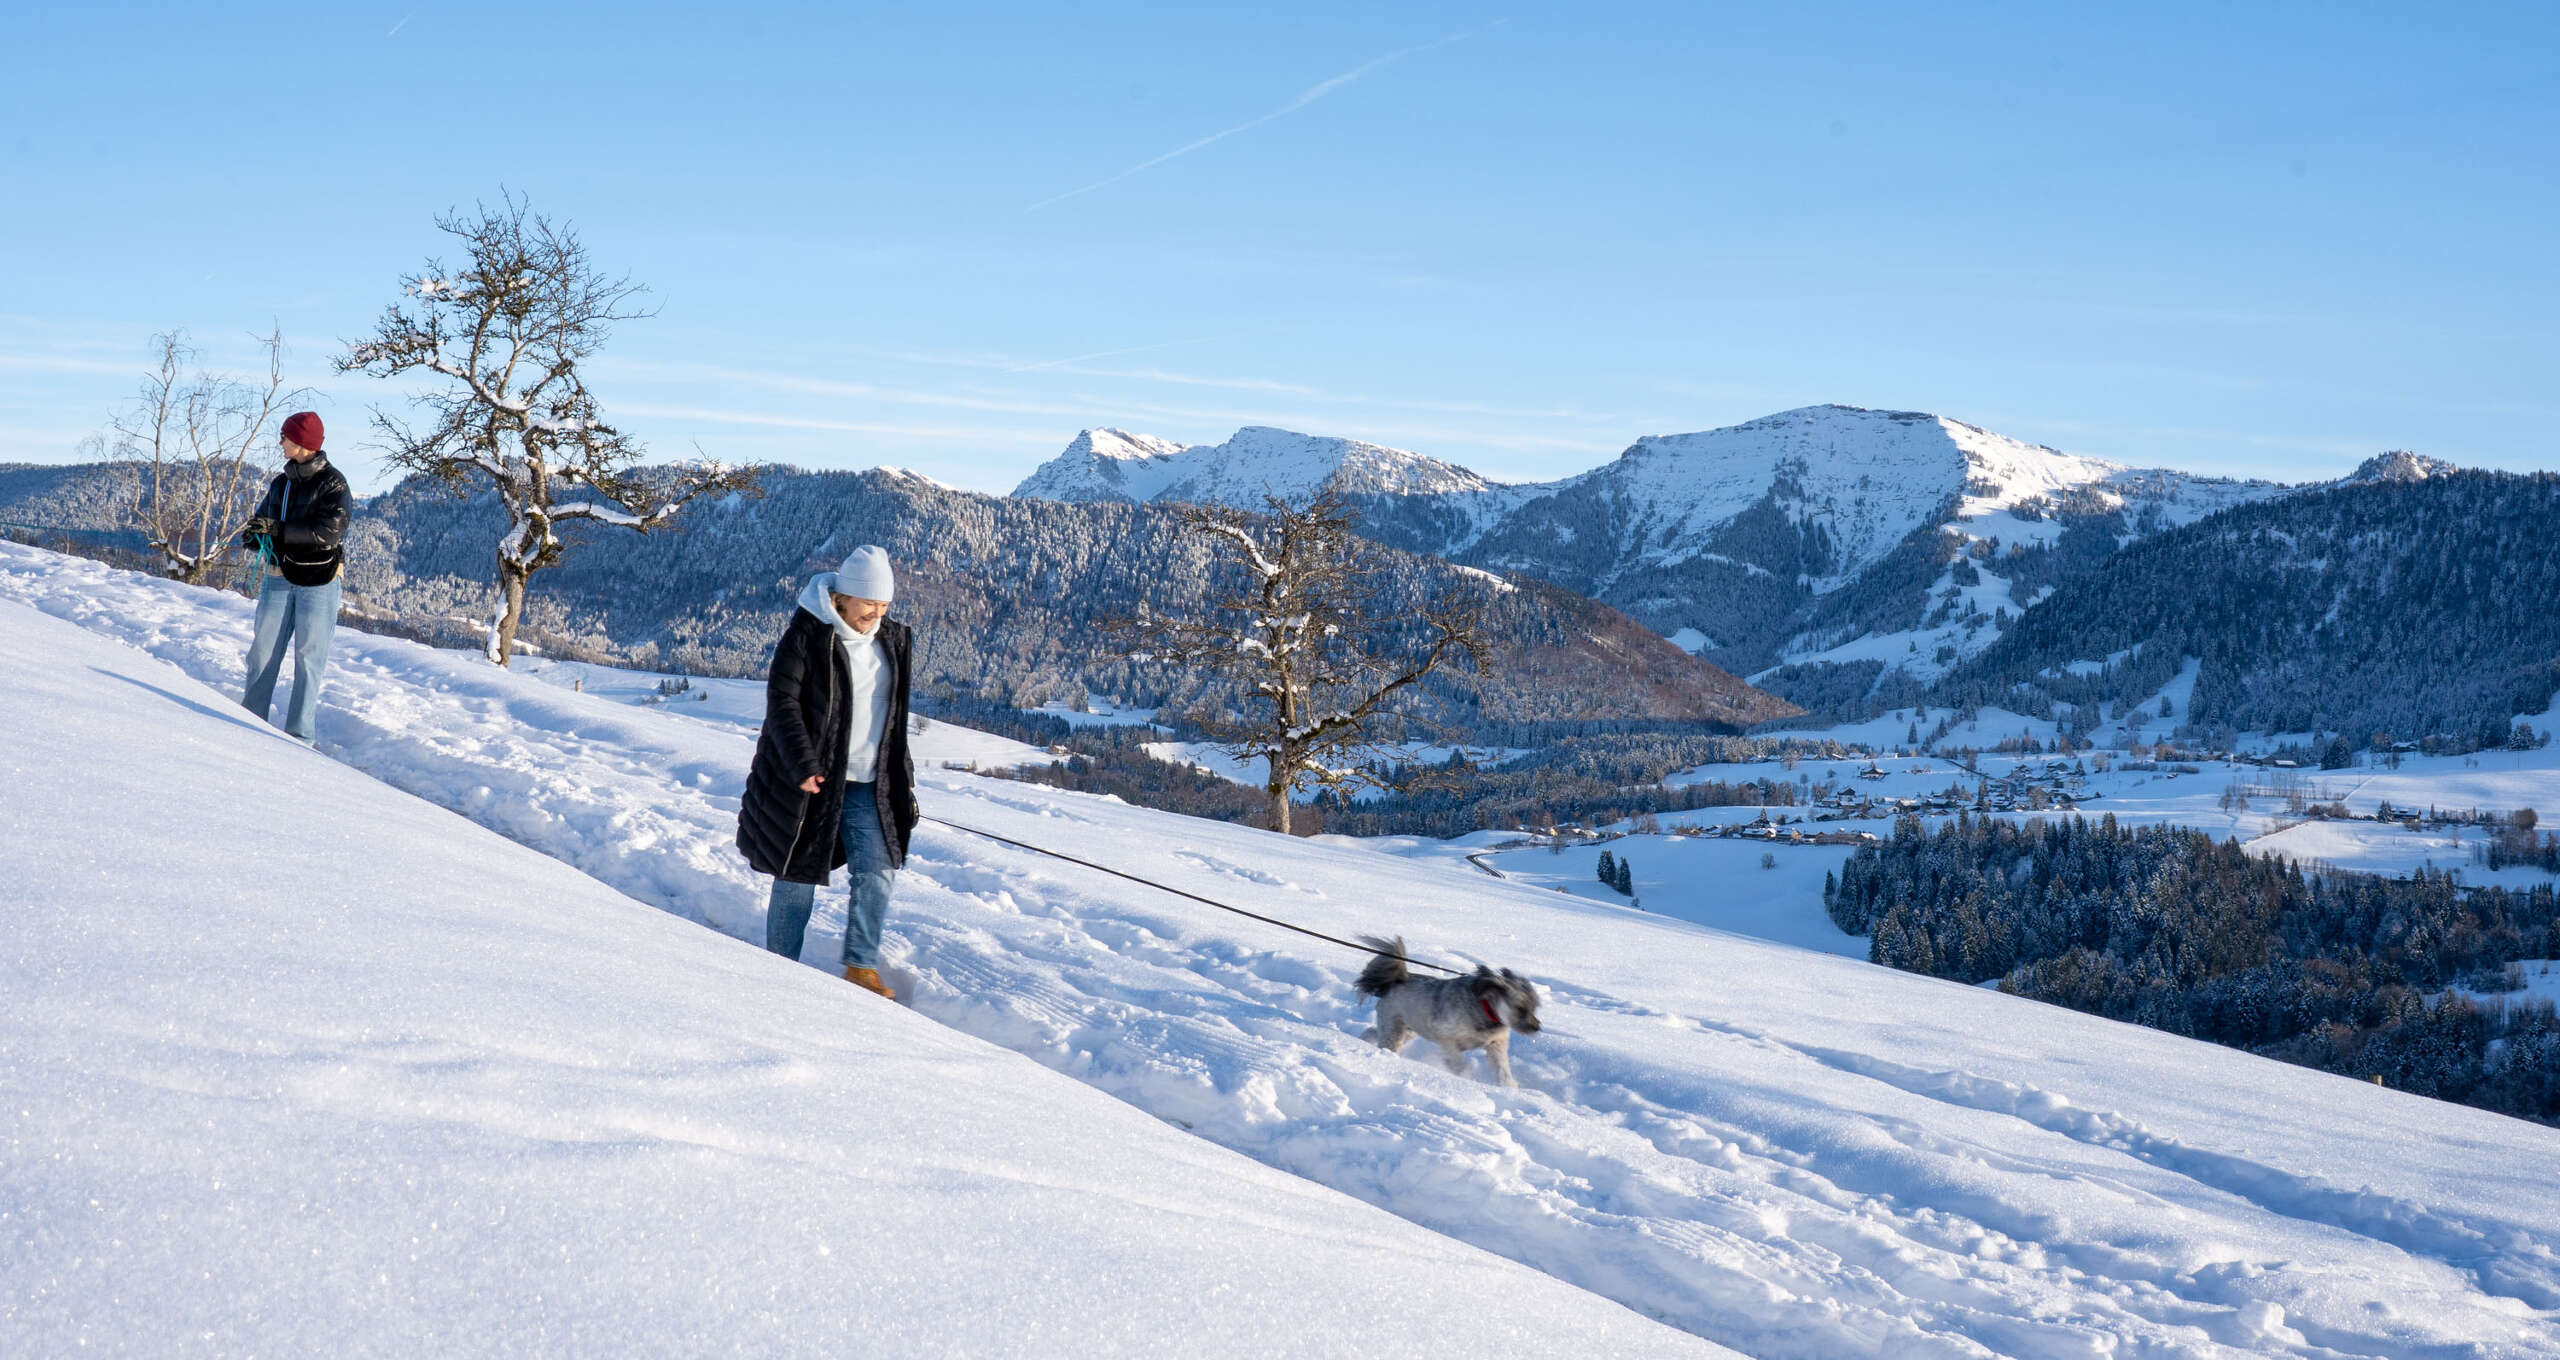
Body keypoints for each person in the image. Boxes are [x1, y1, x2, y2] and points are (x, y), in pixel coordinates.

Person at [736, 545, 920, 998]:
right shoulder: (808, 634)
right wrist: (802, 762)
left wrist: (903, 776)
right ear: (841, 598)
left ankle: (860, 966)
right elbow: (782, 703)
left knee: (878, 869)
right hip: (812, 778)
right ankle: (779, 967)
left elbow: (894, 716)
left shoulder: (894, 639)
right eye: (867, 603)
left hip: (870, 781)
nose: (875, 613)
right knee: (797, 876)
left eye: (884, 604)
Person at [238, 411, 350, 744]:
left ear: (301, 442)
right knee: (262, 652)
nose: (280, 442)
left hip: (320, 582)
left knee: (308, 658)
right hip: (278, 576)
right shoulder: (281, 483)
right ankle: (246, 721)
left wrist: (280, 531)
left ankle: (299, 738)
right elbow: (259, 524)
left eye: (285, 437)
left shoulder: (334, 484)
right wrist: (254, 533)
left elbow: (328, 533)